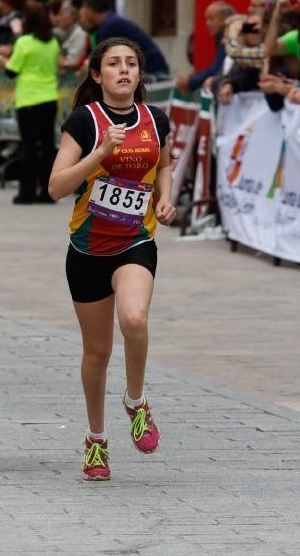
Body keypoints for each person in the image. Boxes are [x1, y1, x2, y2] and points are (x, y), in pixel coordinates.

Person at [48, 37, 175, 481]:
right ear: (96, 75)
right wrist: (99, 153)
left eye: (131, 64)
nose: (124, 70)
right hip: (86, 249)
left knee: (134, 320)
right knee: (97, 352)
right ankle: (96, 440)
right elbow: (56, 186)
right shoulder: (84, 122)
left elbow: (164, 164)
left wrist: (165, 198)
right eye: (113, 64)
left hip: (135, 241)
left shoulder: (155, 120)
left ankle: (136, 403)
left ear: (140, 74)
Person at [0, 0, 59, 204]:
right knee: (48, 145)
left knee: (29, 146)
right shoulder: (53, 42)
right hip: (50, 97)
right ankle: (48, 191)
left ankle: (27, 191)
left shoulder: (24, 42)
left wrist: (3, 61)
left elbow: (11, 71)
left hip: (28, 100)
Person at [79, 0, 169, 75]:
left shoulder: (109, 25)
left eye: (83, 8)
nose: (81, 13)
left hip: (152, 72)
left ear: (90, 10)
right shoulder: (107, 23)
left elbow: (105, 61)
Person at [175, 1, 235, 93]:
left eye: (211, 18)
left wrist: (190, 81)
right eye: (206, 19)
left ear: (225, 19)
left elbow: (216, 70)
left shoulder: (227, 37)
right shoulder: (220, 37)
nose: (208, 23)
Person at [49, 0, 88, 70]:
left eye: (61, 14)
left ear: (72, 17)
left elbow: (70, 62)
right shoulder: (62, 32)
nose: (58, 17)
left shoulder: (79, 34)